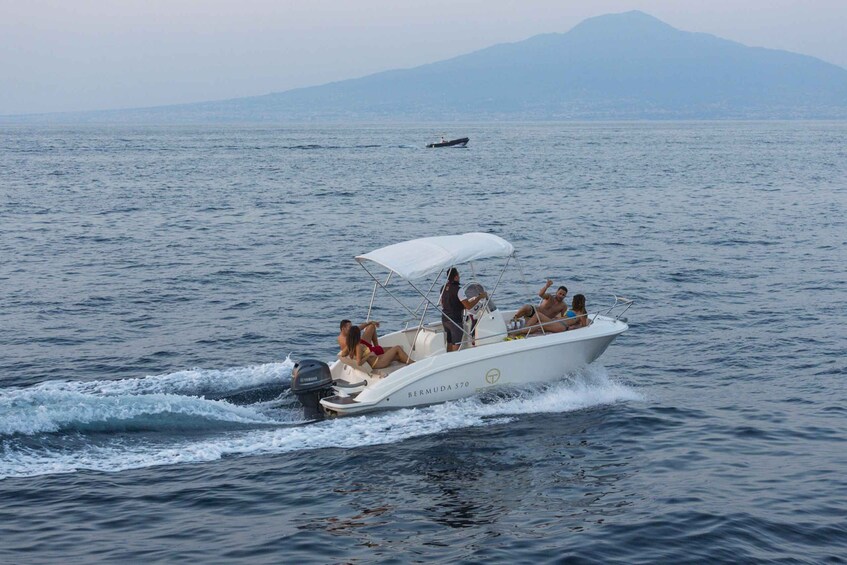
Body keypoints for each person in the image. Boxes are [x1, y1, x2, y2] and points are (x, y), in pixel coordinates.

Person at [440, 267, 487, 352]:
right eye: (458, 275)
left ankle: (448, 359)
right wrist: (479, 297)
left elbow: (443, 303)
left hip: (445, 318)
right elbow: (468, 306)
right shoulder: (459, 290)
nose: (459, 277)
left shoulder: (443, 288)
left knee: (449, 342)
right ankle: (454, 360)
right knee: (456, 343)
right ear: (456, 277)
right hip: (455, 321)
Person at [342, 325, 412, 371]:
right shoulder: (358, 346)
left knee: (398, 356)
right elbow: (359, 363)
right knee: (398, 348)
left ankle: (408, 364)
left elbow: (342, 354)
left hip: (377, 359)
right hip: (377, 363)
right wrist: (369, 355)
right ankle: (413, 364)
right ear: (357, 335)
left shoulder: (351, 345)